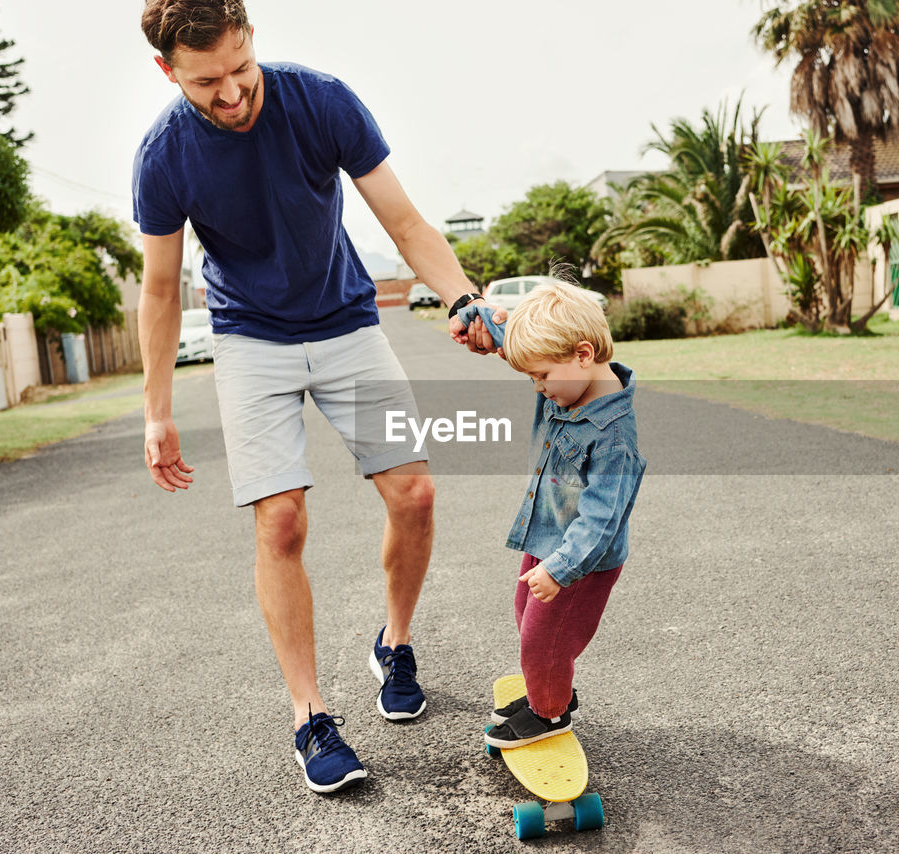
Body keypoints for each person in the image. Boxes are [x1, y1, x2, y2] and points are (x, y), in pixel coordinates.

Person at [132, 0, 498, 794]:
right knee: (283, 518)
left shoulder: (320, 100)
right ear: (169, 71)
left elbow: (402, 222)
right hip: (249, 337)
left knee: (415, 493)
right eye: (206, 84)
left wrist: (462, 298)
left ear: (251, 39)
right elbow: (161, 290)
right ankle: (310, 717)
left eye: (239, 70)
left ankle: (394, 643)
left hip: (344, 321)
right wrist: (156, 411)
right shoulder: (163, 156)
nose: (230, 95)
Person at [457, 281, 646, 748]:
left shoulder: (613, 438)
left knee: (544, 640)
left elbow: (603, 519)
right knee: (526, 617)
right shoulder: (566, 373)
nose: (539, 389)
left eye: (541, 377)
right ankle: (551, 690)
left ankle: (550, 714)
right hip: (549, 540)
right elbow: (517, 346)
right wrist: (478, 316)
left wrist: (561, 571)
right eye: (532, 380)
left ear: (583, 354)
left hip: (582, 560)